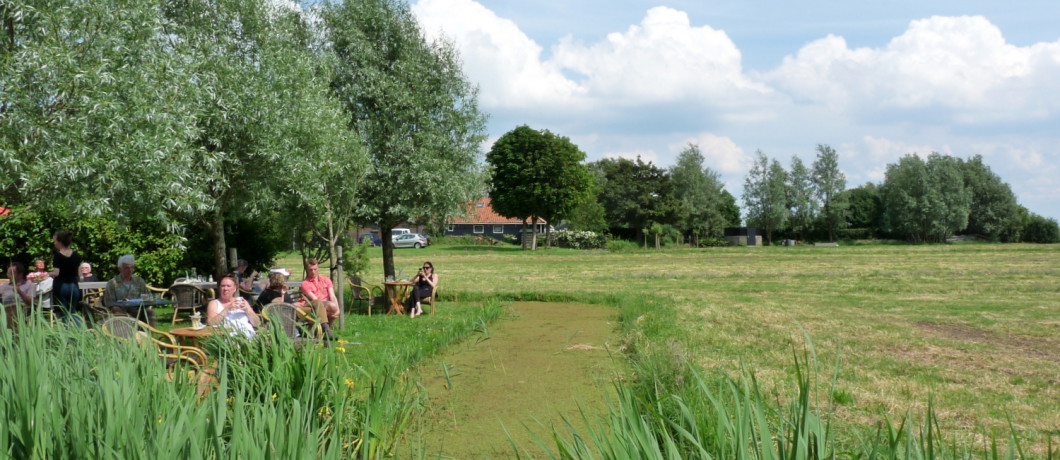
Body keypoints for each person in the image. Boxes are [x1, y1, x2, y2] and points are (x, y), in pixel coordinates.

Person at [255, 270, 335, 339]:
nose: (284, 282)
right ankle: (325, 328)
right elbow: (279, 308)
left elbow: (288, 302)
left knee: (317, 303)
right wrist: (284, 295)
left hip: (293, 308)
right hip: (289, 313)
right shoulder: (270, 293)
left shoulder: (280, 290)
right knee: (318, 309)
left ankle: (324, 328)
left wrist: (296, 303)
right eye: (283, 280)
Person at [102, 255, 157, 327]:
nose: (130, 270)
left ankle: (149, 337)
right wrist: (126, 314)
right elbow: (110, 303)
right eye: (126, 268)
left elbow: (148, 297)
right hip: (120, 312)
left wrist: (142, 303)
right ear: (120, 269)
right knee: (119, 313)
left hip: (138, 311)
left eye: (132, 267)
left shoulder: (139, 281)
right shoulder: (112, 283)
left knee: (150, 312)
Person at [206, 275, 261, 339]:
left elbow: (257, 323)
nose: (225, 288)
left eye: (228, 286)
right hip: (227, 338)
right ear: (219, 288)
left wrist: (247, 310)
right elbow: (211, 323)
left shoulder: (242, 301)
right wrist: (227, 309)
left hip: (248, 337)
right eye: (223, 286)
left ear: (234, 288)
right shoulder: (214, 303)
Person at [48, 230, 83, 326]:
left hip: (61, 286)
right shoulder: (76, 255)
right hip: (73, 285)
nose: (54, 243)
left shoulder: (57, 256)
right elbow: (79, 274)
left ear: (60, 242)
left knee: (64, 313)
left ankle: (67, 336)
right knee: (73, 312)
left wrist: (46, 274)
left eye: (55, 241)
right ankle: (81, 333)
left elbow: (56, 272)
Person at [300, 258, 340, 327]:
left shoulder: (326, 280)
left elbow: (332, 296)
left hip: (326, 305)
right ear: (307, 270)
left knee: (333, 307)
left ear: (318, 268)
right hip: (313, 306)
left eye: (315, 269)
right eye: (310, 270)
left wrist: (337, 310)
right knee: (331, 306)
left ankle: (324, 330)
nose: (313, 272)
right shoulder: (305, 283)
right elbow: (315, 299)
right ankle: (326, 329)